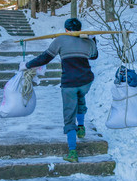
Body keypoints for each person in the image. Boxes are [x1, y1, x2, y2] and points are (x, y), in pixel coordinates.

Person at [19, 18, 98, 163]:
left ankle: (72, 152)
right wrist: (93, 39)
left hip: (69, 83)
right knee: (81, 99)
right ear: (80, 29)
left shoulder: (61, 40)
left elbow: (45, 58)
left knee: (69, 114)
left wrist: (28, 65)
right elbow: (94, 56)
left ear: (66, 30)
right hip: (86, 81)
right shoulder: (88, 41)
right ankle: (81, 127)